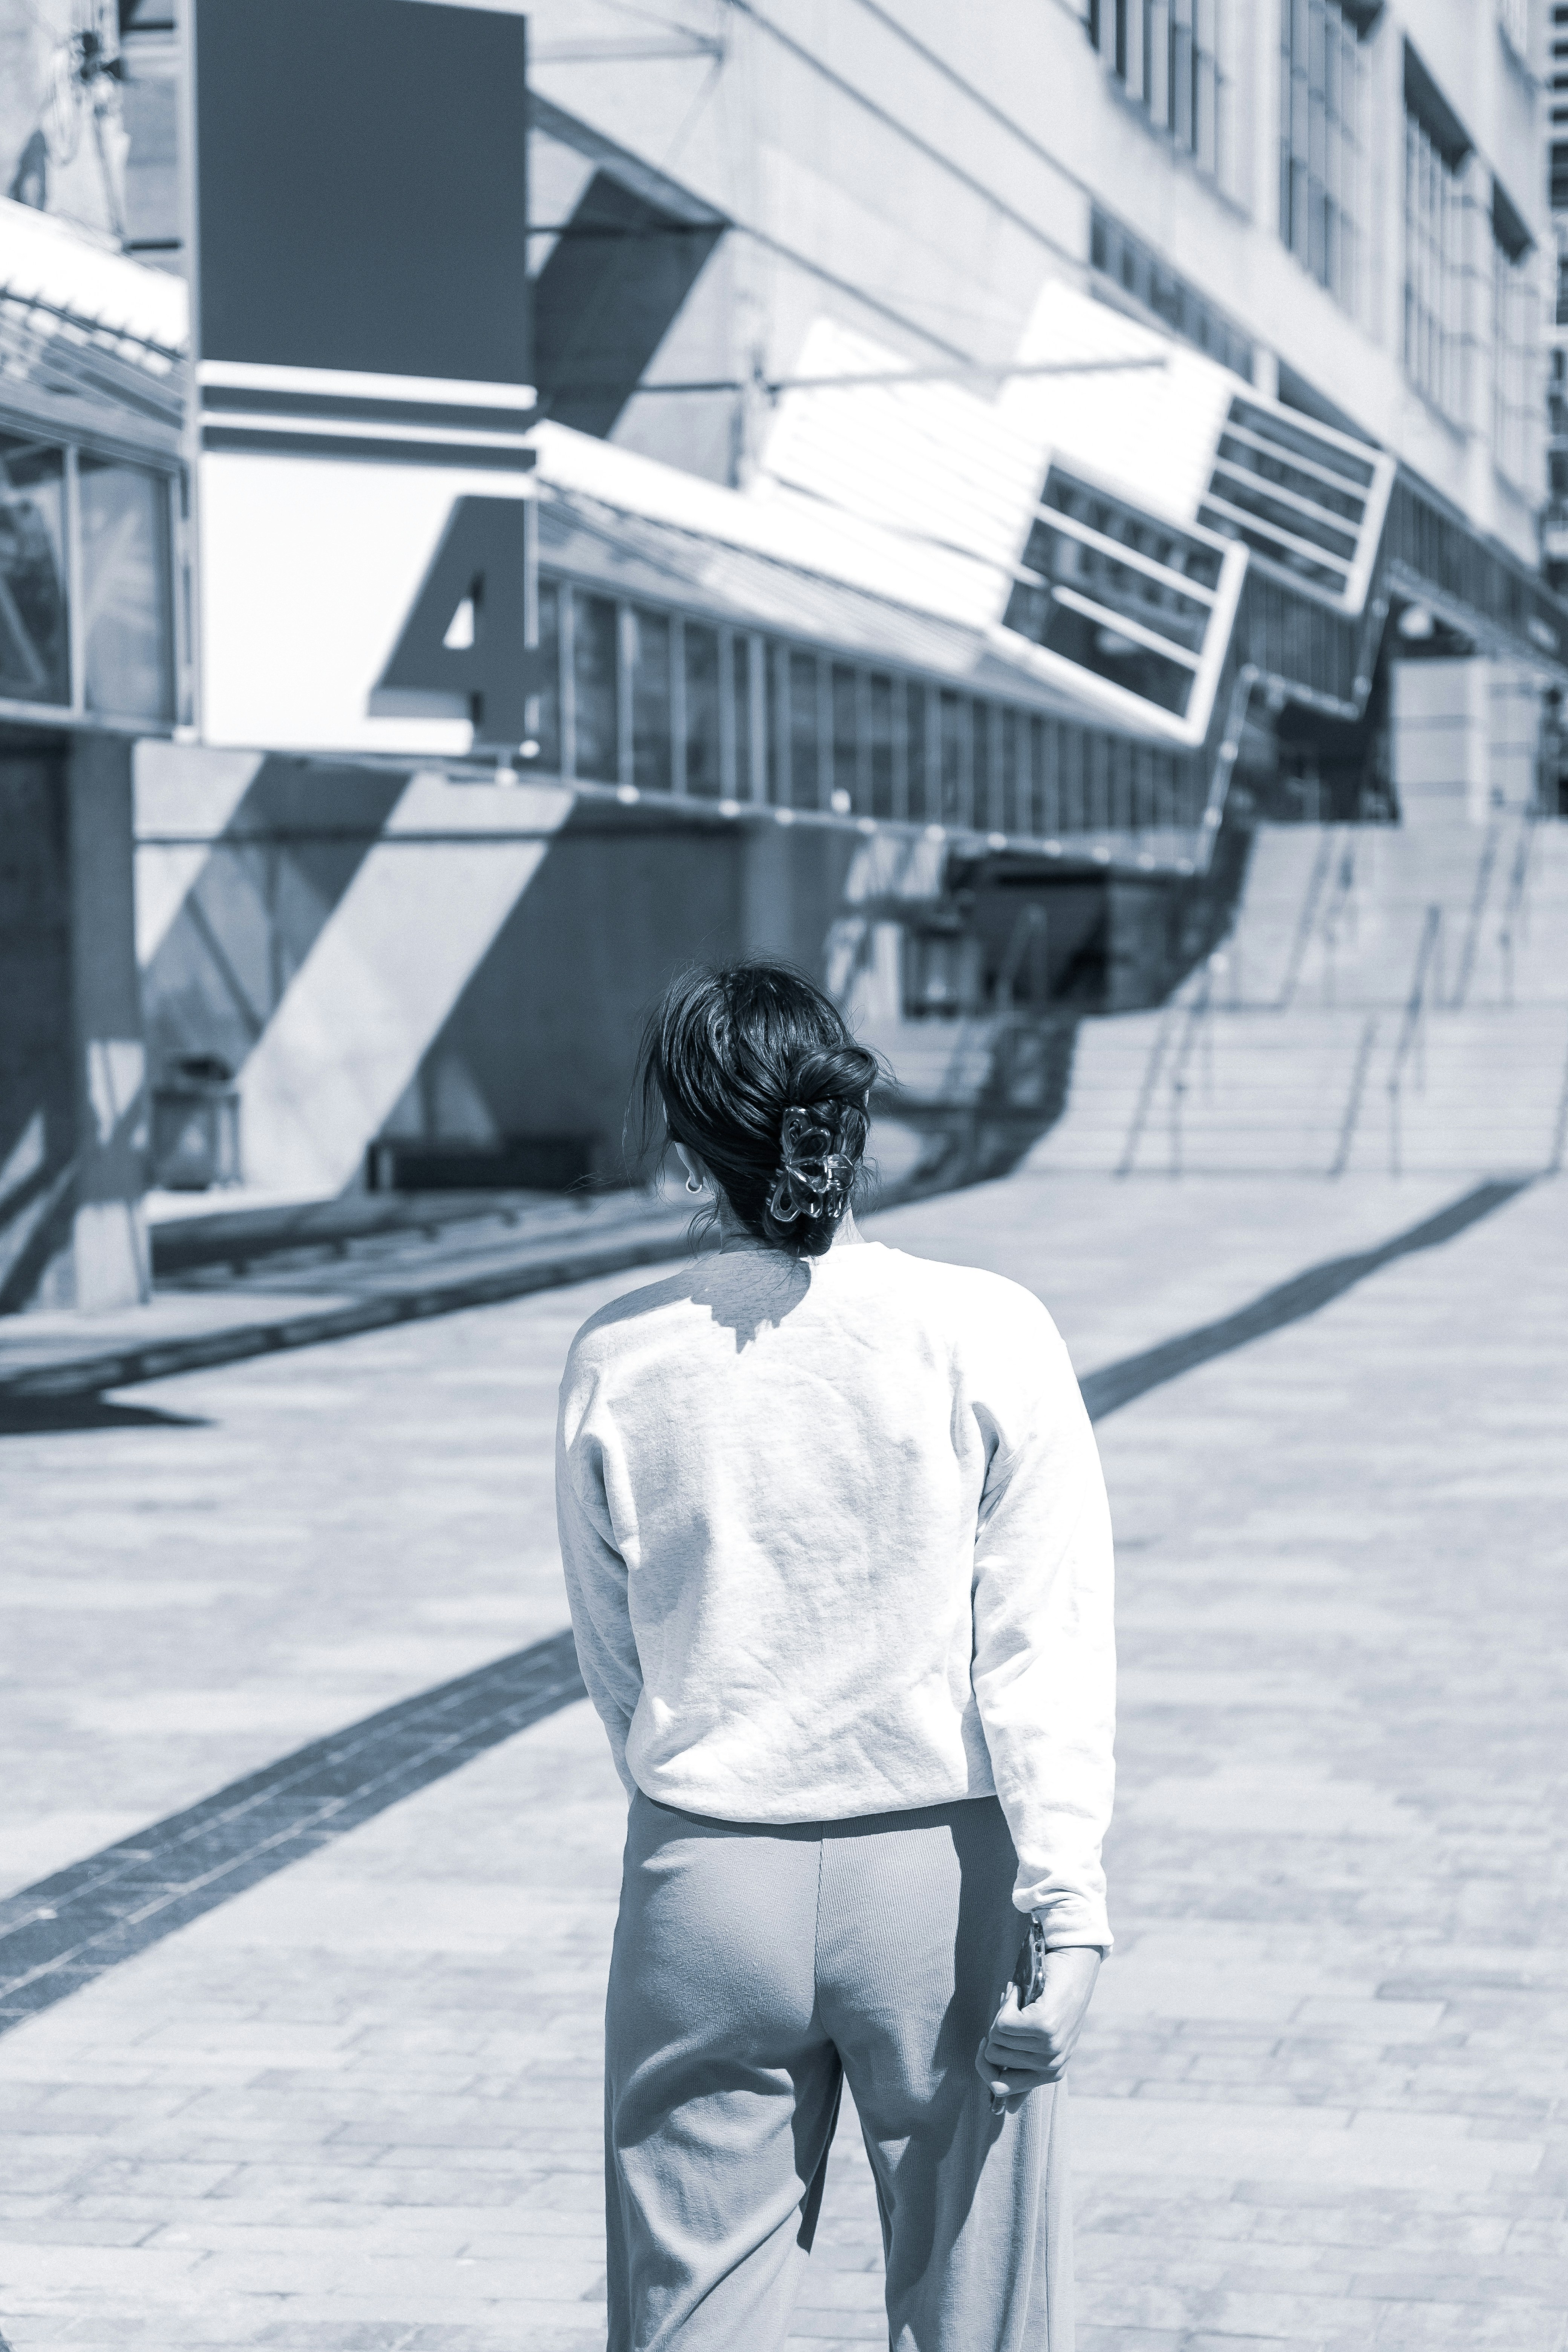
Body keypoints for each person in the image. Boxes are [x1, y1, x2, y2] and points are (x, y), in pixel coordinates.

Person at [555, 960, 1115, 2352]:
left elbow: (616, 1653)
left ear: (691, 1155)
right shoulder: (991, 1329)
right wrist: (1073, 1906)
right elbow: (1042, 1642)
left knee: (690, 2323)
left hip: (703, 1876)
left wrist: (698, 1773)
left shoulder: (618, 1358)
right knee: (972, 2312)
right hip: (943, 1883)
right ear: (848, 1127)